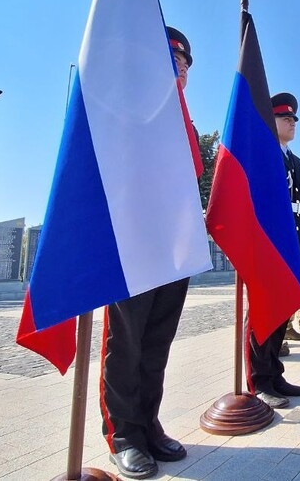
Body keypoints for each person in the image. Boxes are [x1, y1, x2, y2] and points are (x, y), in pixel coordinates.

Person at [100, 26, 196, 480]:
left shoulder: (183, 117)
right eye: (172, 59)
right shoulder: (129, 104)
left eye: (185, 64)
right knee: (127, 341)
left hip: (173, 240)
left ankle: (148, 423)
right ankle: (123, 435)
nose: (180, 67)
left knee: (157, 340)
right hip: (134, 240)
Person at [243, 93, 300, 408]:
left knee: (281, 311)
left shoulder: (295, 162)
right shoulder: (261, 154)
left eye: (294, 119)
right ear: (272, 121)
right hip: (266, 245)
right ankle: (259, 381)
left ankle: (275, 373)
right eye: (285, 118)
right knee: (262, 314)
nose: (291, 123)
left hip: (289, 245)